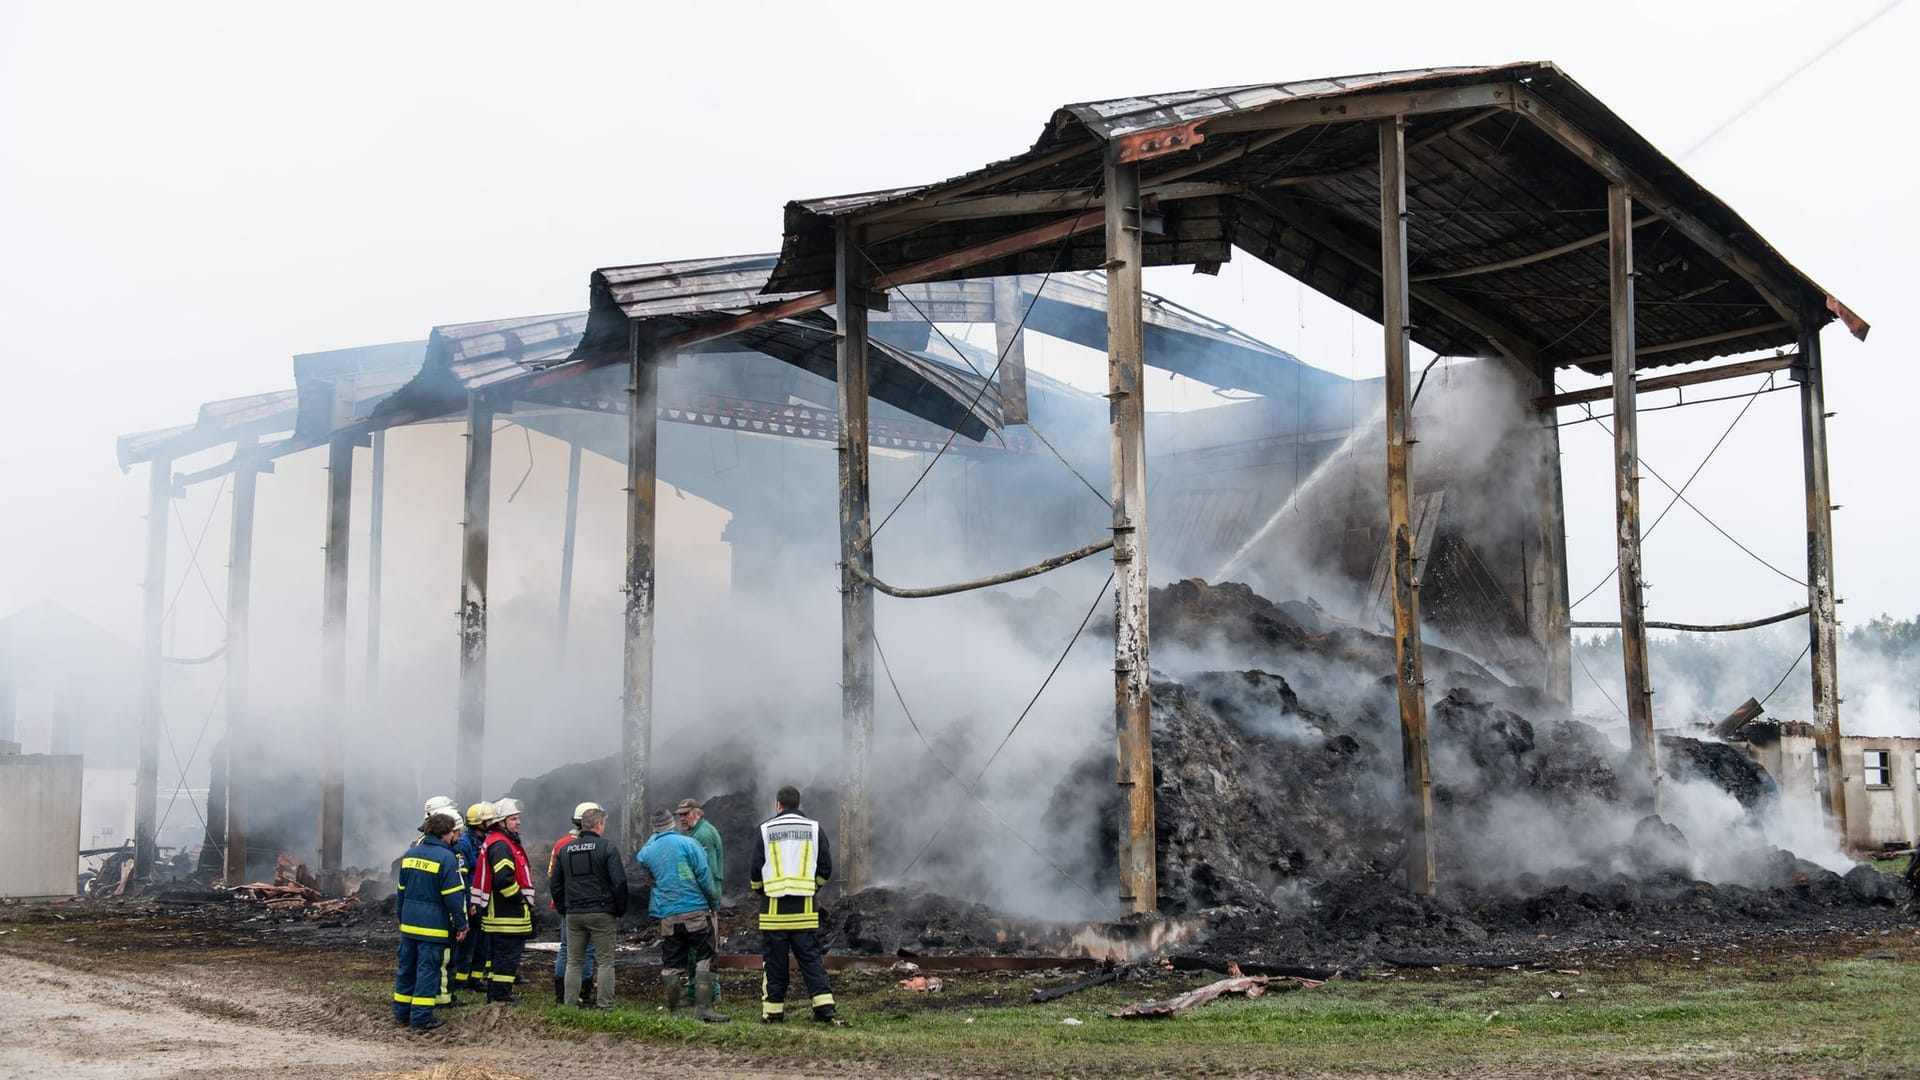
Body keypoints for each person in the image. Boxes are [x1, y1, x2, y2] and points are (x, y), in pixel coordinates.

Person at [750, 786, 835, 1024]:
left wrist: (760, 890)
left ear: (778, 805)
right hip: (805, 912)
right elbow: (826, 867)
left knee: (775, 964)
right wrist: (813, 887)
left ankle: (773, 1013)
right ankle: (824, 1008)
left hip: (773, 914)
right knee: (811, 960)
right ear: (798, 804)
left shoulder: (765, 830)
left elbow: (756, 869)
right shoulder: (814, 829)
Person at [636, 807, 726, 1022]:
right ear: (672, 824)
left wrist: (655, 835)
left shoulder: (649, 850)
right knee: (705, 956)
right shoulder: (689, 844)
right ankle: (703, 1009)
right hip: (695, 910)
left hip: (668, 914)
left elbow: (642, 858)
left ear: (655, 829)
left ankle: (674, 1012)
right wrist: (713, 902)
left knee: (672, 962)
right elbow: (704, 876)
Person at [393, 808, 468, 1032]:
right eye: (454, 833)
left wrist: (402, 918)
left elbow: (401, 891)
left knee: (406, 968)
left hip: (409, 925)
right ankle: (422, 1018)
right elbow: (453, 897)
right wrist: (461, 923)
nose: (456, 837)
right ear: (446, 833)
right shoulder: (447, 858)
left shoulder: (410, 854)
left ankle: (401, 1012)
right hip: (433, 928)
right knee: (428, 971)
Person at [550, 804, 627, 1009]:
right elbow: (619, 882)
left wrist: (563, 908)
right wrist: (619, 909)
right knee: (605, 962)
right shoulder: (607, 848)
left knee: (573, 961)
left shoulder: (565, 850)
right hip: (601, 912)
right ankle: (605, 1005)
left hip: (573, 913)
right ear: (599, 825)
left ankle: (569, 1005)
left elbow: (555, 883)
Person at [470, 796, 534, 1003]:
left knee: (502, 958)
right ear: (502, 822)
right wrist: (520, 900)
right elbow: (504, 880)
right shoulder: (501, 845)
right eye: (514, 819)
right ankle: (500, 996)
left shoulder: (499, 842)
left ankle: (497, 994)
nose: (519, 822)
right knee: (507, 957)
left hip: (503, 913)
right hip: (506, 914)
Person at [546, 802, 602, 1004]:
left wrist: (561, 903)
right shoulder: (594, 845)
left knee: (565, 948)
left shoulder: (561, 843)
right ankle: (583, 993)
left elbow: (552, 876)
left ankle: (561, 994)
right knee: (587, 950)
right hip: (585, 905)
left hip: (566, 905)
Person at [675, 798, 724, 1005]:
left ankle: (706, 991)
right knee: (699, 948)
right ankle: (702, 990)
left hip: (702, 900)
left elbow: (708, 871)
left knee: (702, 948)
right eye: (680, 815)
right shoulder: (696, 833)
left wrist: (709, 901)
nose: (682, 818)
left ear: (698, 813)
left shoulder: (703, 835)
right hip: (698, 898)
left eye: (686, 814)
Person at [454, 801, 494, 998]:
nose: (491, 822)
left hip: (483, 900)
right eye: (488, 819)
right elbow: (463, 874)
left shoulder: (484, 841)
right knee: (468, 943)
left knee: (483, 942)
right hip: (472, 902)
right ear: (479, 822)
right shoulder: (464, 844)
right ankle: (461, 981)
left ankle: (476, 979)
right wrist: (469, 901)